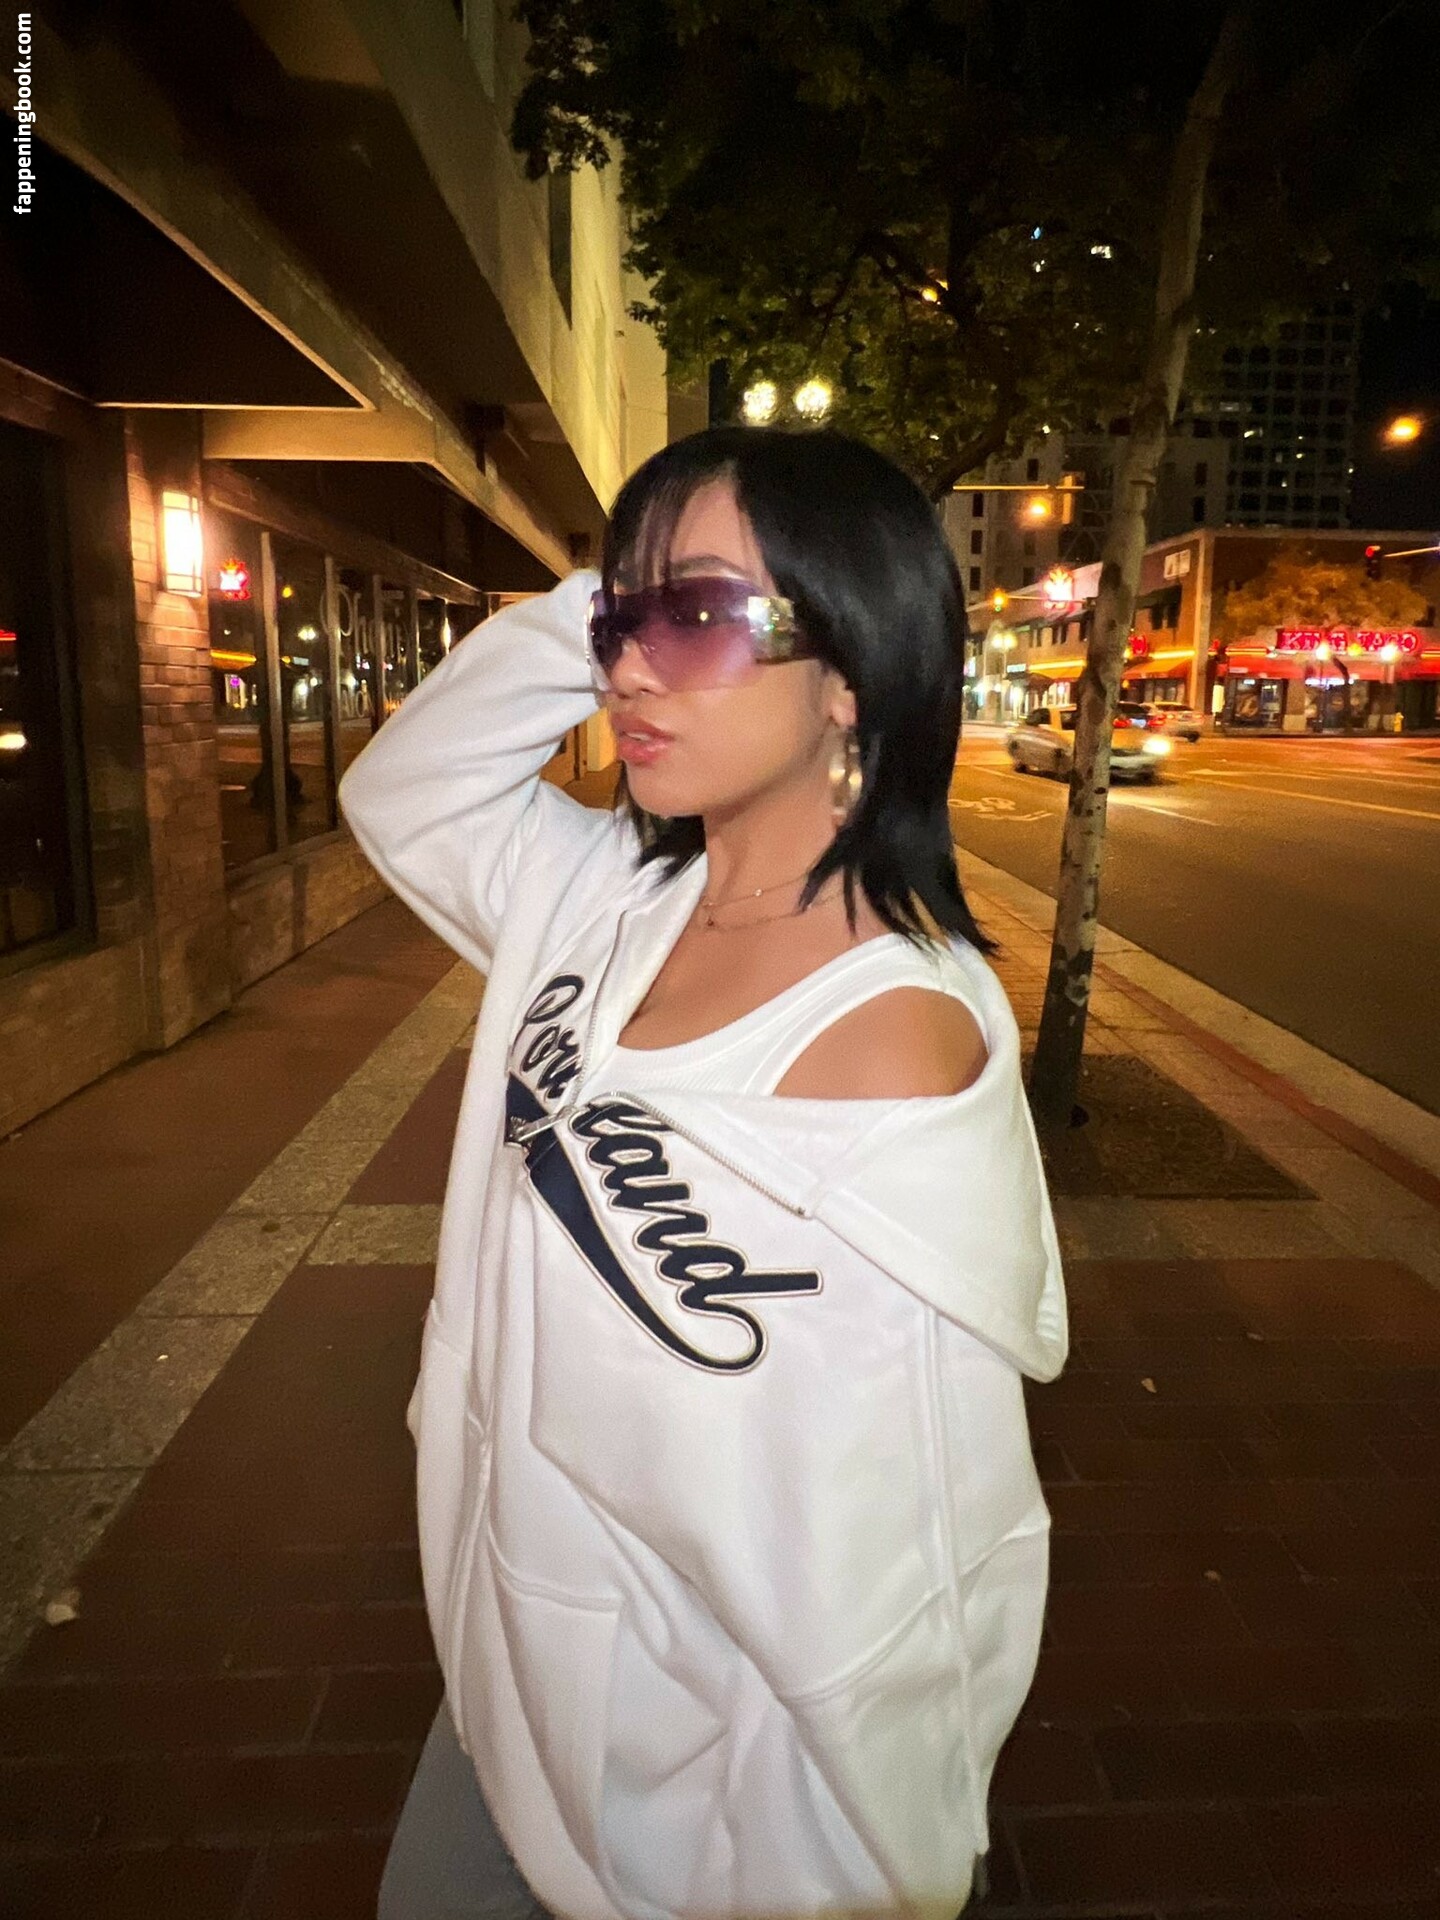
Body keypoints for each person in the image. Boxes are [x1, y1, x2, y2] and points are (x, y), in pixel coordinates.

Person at [341, 425, 1067, 1920]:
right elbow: (408, 789)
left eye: (701, 617)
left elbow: (894, 1577)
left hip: (697, 1803)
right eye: (622, 621)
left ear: (852, 666)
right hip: (501, 1669)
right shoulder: (605, 897)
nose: (628, 667)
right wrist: (624, 580)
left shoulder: (883, 1046)